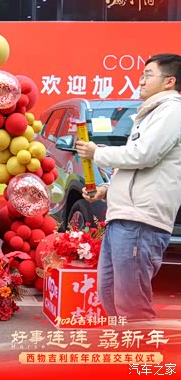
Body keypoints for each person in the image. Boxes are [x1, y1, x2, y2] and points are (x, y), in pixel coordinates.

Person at [76, 53, 181, 321]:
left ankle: (144, 349)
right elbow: (139, 165)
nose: (141, 81)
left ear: (169, 81)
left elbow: (144, 155)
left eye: (148, 75)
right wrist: (107, 189)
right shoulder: (151, 113)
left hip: (140, 220)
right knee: (110, 295)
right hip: (124, 217)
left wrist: (97, 153)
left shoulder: (172, 111)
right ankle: (127, 348)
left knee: (131, 304)